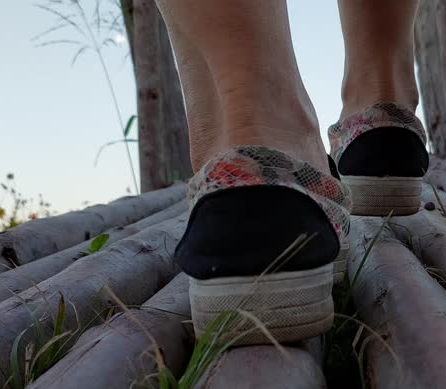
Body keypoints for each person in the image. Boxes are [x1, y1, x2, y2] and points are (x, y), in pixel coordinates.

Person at [163, 0, 429, 345]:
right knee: (379, 85)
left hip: (230, 213)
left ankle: (256, 133)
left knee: (244, 112)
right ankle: (383, 107)